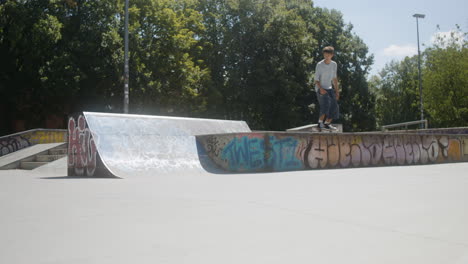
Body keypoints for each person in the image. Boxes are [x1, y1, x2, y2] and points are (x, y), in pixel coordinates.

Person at [314, 46, 340, 131]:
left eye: (328, 55)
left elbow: (334, 79)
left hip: (329, 88)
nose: (326, 57)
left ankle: (327, 124)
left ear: (332, 55)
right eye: (325, 55)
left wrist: (337, 91)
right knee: (326, 105)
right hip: (320, 87)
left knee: (334, 107)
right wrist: (321, 88)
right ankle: (320, 124)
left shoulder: (334, 64)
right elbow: (316, 79)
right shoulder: (320, 64)